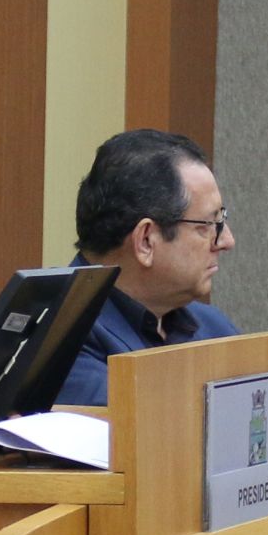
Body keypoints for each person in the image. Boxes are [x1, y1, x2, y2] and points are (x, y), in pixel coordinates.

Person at [54, 129, 240, 405]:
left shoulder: (215, 328)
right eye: (209, 225)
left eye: (221, 220)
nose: (226, 241)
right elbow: (141, 423)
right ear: (145, 240)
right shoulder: (58, 341)